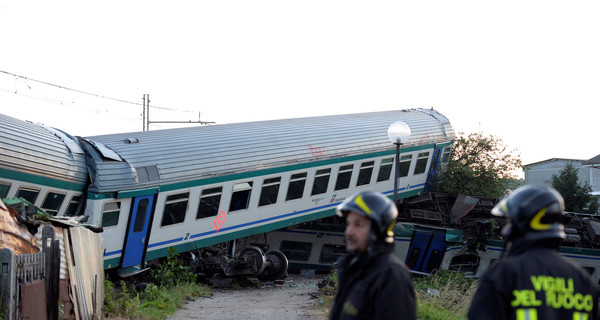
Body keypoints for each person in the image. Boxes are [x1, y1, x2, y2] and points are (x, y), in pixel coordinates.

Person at [468, 184, 599, 320]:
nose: (505, 230)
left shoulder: (503, 275)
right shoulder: (584, 281)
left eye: (509, 222)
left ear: (521, 225)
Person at [329, 190, 416, 320]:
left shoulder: (391, 275)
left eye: (358, 225)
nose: (349, 232)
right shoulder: (355, 269)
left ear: (378, 230)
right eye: (348, 224)